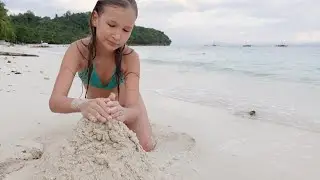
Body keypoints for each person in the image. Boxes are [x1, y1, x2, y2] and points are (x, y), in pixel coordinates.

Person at [48, 0, 154, 152]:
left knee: (146, 146)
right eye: (111, 25)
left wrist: (124, 113)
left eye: (126, 30)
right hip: (96, 107)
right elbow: (55, 102)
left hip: (125, 108)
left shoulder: (130, 57)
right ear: (95, 19)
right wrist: (83, 104)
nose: (117, 36)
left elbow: (134, 108)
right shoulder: (78, 51)